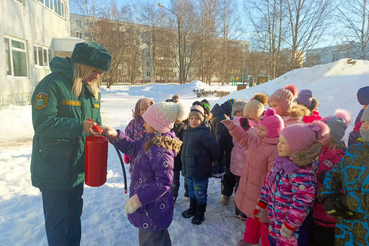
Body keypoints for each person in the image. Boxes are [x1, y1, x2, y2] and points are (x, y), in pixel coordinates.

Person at [30, 41, 112, 246]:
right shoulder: (53, 84)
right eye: (95, 70)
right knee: (57, 222)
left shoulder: (91, 90)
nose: (97, 76)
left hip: (76, 169)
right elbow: (43, 123)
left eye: (101, 72)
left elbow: (92, 124)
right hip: (53, 169)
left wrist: (101, 129)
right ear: (81, 65)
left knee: (74, 217)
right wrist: (79, 126)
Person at [102, 101, 188, 246]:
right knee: (157, 238)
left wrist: (138, 199)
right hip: (149, 207)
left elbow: (163, 183)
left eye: (147, 122)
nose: (143, 125)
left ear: (157, 126)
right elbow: (133, 148)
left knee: (151, 240)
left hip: (152, 209)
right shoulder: (150, 140)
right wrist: (115, 135)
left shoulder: (161, 149)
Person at [255, 121, 328, 246]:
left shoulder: (302, 173)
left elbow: (303, 202)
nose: (278, 145)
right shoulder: (281, 163)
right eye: (279, 141)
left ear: (297, 147)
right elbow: (269, 183)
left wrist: (290, 225)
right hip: (275, 223)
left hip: (293, 231)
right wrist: (262, 202)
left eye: (283, 143)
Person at [222, 108, 284, 246]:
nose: (259, 131)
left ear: (273, 131)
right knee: (252, 217)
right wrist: (233, 128)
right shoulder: (258, 140)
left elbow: (272, 176)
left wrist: (266, 196)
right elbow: (245, 138)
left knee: (265, 224)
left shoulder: (275, 150)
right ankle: (249, 239)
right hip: (251, 188)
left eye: (262, 129)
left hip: (263, 195)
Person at [319, 106, 369, 245]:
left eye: (368, 123)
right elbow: (336, 173)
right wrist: (326, 196)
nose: (363, 127)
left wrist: (346, 201)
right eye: (363, 122)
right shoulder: (355, 149)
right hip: (345, 230)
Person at [310, 110, 350, 246]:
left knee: (324, 240)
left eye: (324, 133)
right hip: (316, 206)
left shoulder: (340, 157)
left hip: (328, 213)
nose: (319, 135)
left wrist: (333, 205)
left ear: (334, 136)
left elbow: (341, 184)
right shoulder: (321, 149)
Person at [181, 105, 220, 225]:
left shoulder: (203, 133)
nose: (194, 121)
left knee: (200, 193)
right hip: (189, 169)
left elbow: (215, 148)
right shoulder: (187, 132)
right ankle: (192, 209)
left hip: (200, 170)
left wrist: (213, 160)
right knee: (192, 191)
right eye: (191, 118)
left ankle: (200, 214)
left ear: (202, 119)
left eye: (197, 118)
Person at [218, 100, 248, 218]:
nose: (240, 114)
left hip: (244, 160)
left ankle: (239, 204)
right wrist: (219, 156)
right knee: (228, 178)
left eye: (242, 111)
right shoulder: (229, 125)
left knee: (240, 183)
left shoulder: (248, 125)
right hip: (230, 157)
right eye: (237, 112)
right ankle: (226, 195)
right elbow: (222, 142)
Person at [165, 94, 188, 202]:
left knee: (175, 178)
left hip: (177, 158)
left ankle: (173, 195)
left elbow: (184, 142)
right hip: (164, 157)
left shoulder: (181, 125)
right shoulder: (162, 124)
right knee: (165, 178)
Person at [124, 98, 154, 177]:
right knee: (135, 172)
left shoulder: (153, 123)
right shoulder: (134, 122)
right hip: (135, 153)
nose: (144, 112)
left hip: (149, 153)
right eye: (142, 109)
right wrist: (127, 150)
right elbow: (127, 135)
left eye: (147, 110)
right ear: (138, 110)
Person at [210, 99, 235, 176]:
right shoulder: (222, 117)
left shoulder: (216, 111)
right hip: (218, 141)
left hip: (213, 139)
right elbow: (220, 133)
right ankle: (216, 171)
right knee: (219, 157)